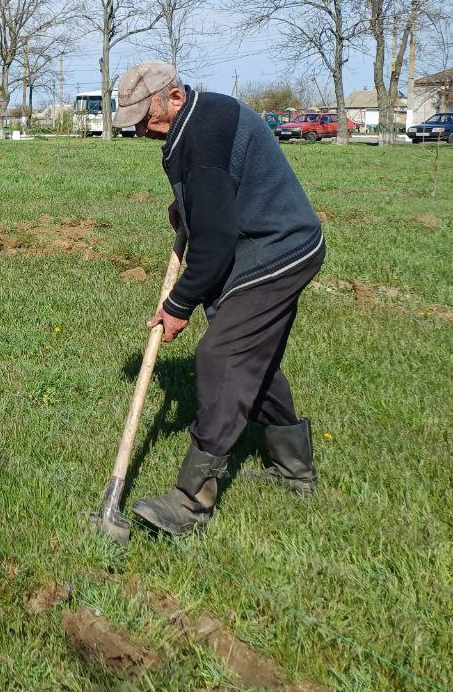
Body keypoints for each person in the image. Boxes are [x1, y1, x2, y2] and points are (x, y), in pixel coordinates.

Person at [112, 62, 325, 537]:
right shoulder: (198, 121)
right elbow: (215, 196)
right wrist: (189, 206)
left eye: (146, 118)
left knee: (222, 354)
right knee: (253, 357)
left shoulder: (203, 135)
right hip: (257, 244)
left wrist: (178, 305)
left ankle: (190, 501)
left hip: (279, 250)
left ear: (174, 98)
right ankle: (295, 471)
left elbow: (214, 241)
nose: (143, 130)